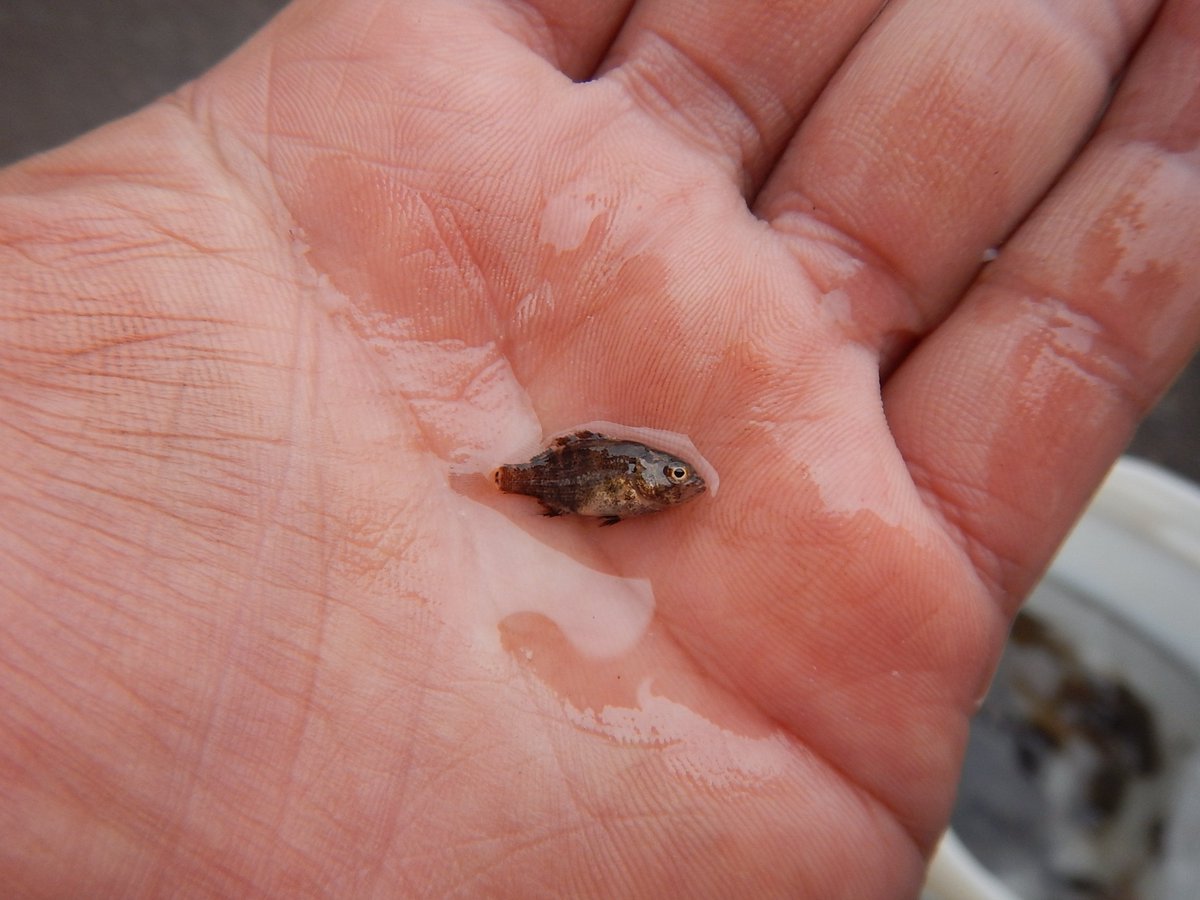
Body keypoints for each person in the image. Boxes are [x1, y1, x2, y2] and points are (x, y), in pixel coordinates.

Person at [1, 1, 1196, 896]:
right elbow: (611, 482)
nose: (677, 485)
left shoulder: (628, 485)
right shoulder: (620, 486)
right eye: (668, 482)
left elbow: (616, 481)